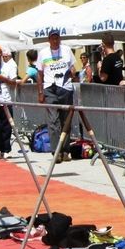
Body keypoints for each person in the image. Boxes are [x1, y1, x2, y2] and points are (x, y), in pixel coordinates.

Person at [36, 29, 76, 163]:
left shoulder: (66, 50)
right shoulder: (43, 53)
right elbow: (39, 74)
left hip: (65, 88)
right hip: (49, 88)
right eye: (52, 38)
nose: (55, 41)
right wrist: (40, 92)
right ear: (49, 40)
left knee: (66, 120)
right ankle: (56, 151)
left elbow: (72, 68)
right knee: (53, 120)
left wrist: (72, 73)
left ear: (60, 39)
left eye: (57, 38)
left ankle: (66, 151)